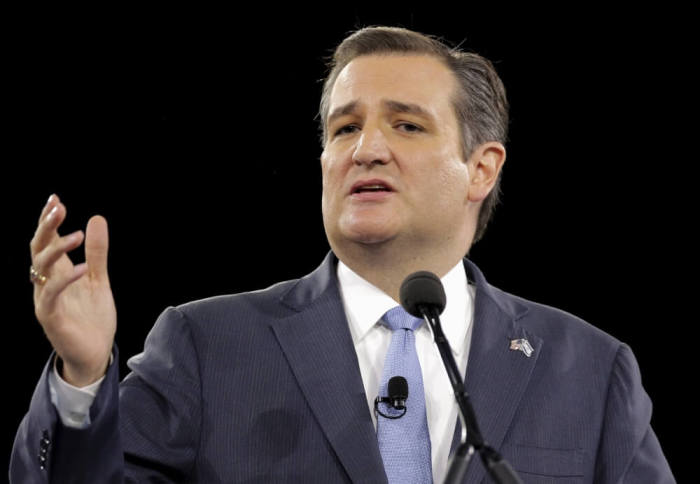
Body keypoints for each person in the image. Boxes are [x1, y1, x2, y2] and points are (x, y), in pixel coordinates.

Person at [11, 26, 674, 483]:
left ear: (481, 168)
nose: (366, 149)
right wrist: (84, 374)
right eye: (345, 128)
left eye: (406, 124)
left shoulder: (589, 370)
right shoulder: (208, 346)